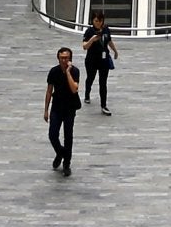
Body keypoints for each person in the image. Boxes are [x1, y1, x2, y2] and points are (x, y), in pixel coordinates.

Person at [42, 45, 80, 174]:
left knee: (68, 136)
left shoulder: (75, 71)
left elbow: (74, 89)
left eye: (66, 58)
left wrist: (68, 72)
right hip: (57, 107)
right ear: (58, 58)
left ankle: (66, 164)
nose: (64, 60)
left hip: (69, 108)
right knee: (53, 135)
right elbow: (49, 91)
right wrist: (46, 110)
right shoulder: (53, 71)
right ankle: (61, 152)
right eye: (62, 58)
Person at [81, 9, 118, 112]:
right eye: (96, 20)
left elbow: (109, 41)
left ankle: (103, 105)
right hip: (92, 60)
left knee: (103, 82)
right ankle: (87, 93)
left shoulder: (106, 29)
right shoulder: (89, 31)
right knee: (90, 78)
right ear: (93, 21)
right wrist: (92, 39)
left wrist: (115, 51)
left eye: (100, 21)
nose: (98, 23)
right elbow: (84, 46)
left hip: (104, 59)